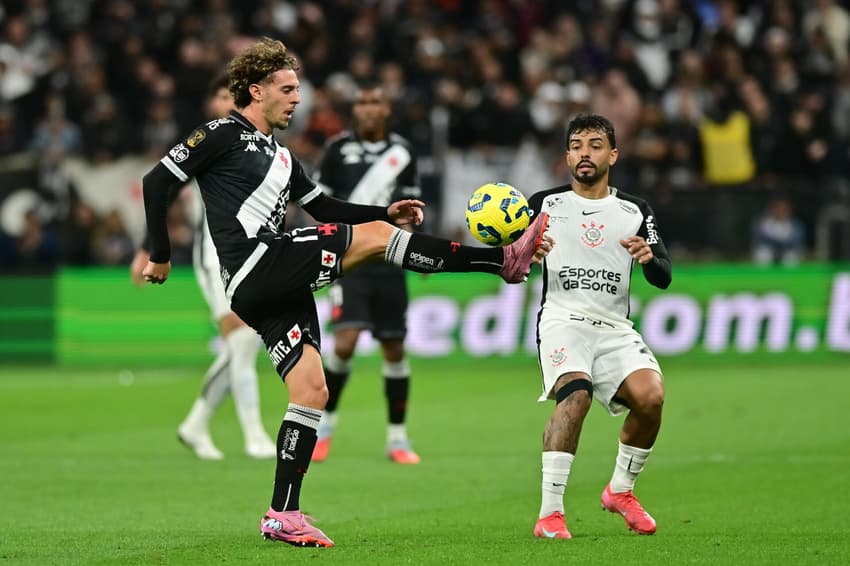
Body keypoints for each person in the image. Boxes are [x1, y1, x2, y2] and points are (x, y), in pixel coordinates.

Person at [141, 38, 553, 548]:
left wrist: (384, 213)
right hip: (256, 265)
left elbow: (327, 209)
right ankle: (501, 261)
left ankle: (282, 514)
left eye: (299, 90)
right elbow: (157, 181)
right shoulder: (223, 131)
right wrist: (160, 253)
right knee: (380, 247)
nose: (298, 100)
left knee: (311, 389)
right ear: (255, 90)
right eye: (288, 89)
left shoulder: (284, 158)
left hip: (271, 285)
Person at [528, 114, 671, 539]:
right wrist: (526, 253)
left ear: (613, 154)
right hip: (562, 320)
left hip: (613, 326)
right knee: (576, 395)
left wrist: (649, 257)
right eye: (576, 145)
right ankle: (550, 514)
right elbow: (509, 260)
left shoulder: (634, 210)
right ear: (567, 155)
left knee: (651, 397)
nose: (584, 153)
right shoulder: (544, 204)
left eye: (594, 144)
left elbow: (664, 275)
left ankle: (620, 492)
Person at [131, 74, 277, 461]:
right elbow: (166, 190)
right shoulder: (207, 140)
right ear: (210, 104)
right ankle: (254, 435)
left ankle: (196, 423)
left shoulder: (258, 142)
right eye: (220, 95)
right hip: (213, 252)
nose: (227, 101)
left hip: (251, 252)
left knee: (242, 344)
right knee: (243, 340)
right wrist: (148, 248)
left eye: (233, 95)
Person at [310, 84, 421, 465]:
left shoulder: (403, 151)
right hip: (350, 259)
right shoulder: (337, 149)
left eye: (376, 102)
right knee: (345, 343)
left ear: (387, 109)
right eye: (362, 102)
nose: (368, 109)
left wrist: (417, 250)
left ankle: (398, 439)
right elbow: (320, 203)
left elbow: (411, 207)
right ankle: (324, 428)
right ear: (354, 110)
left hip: (390, 261)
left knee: (394, 347)